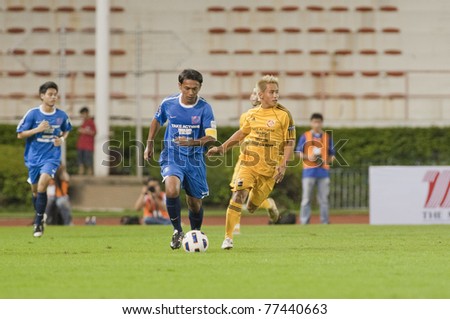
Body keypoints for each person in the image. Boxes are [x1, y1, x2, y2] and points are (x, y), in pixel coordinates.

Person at [207, 75, 296, 249]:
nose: (276, 95)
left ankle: (269, 205)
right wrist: (221, 148)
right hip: (248, 164)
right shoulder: (250, 115)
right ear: (261, 95)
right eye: (272, 92)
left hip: (269, 169)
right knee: (238, 194)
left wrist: (283, 164)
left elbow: (290, 142)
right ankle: (228, 238)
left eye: (277, 92)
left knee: (252, 206)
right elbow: (241, 133)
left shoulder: (284, 115)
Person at [143, 69, 217, 249]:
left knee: (194, 203)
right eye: (187, 88)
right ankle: (177, 231)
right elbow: (156, 120)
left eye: (195, 89)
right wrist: (149, 143)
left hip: (194, 160)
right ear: (180, 86)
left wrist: (191, 142)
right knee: (171, 188)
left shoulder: (204, 108)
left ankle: (195, 232)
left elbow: (212, 137)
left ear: (200, 87)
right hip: (172, 156)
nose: (191, 93)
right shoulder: (169, 103)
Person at [17, 81, 72, 237]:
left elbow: (66, 130)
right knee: (35, 191)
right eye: (50, 94)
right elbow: (20, 134)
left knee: (43, 185)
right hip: (33, 158)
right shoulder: (33, 114)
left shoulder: (61, 116)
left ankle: (39, 222)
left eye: (55, 94)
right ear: (42, 96)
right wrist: (38, 129)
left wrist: (61, 140)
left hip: (52, 157)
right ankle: (39, 218)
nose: (53, 97)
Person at [230, 87, 280, 235]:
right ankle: (235, 227)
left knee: (252, 201)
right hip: (245, 161)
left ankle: (269, 203)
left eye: (256, 93)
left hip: (264, 163)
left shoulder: (275, 117)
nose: (253, 96)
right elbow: (242, 137)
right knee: (237, 192)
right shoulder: (245, 116)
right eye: (252, 93)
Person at [295, 113, 335, 224]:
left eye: (319, 122)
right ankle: (304, 222)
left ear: (322, 123)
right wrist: (309, 157)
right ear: (311, 123)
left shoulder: (327, 137)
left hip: (323, 172)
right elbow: (298, 153)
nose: (317, 124)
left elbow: (333, 155)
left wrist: (327, 160)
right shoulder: (305, 136)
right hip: (309, 171)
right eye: (314, 122)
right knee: (306, 199)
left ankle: (325, 222)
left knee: (324, 200)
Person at [76, 106, 96, 175]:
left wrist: (84, 131)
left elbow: (94, 132)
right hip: (81, 144)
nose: (82, 116)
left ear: (86, 113)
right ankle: (81, 171)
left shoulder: (91, 122)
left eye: (82, 114)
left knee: (88, 159)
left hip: (88, 145)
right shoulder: (84, 122)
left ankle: (89, 172)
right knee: (80, 159)